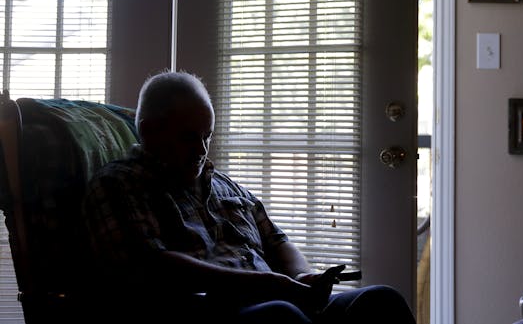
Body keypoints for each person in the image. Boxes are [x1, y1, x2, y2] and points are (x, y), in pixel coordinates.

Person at [82, 70, 416, 324]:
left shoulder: (227, 187)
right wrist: (268, 283)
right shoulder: (119, 184)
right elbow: (153, 265)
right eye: (188, 138)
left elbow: (277, 241)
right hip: (205, 310)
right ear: (150, 130)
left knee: (381, 301)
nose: (201, 150)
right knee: (280, 316)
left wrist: (302, 276)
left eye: (207, 136)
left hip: (276, 299)